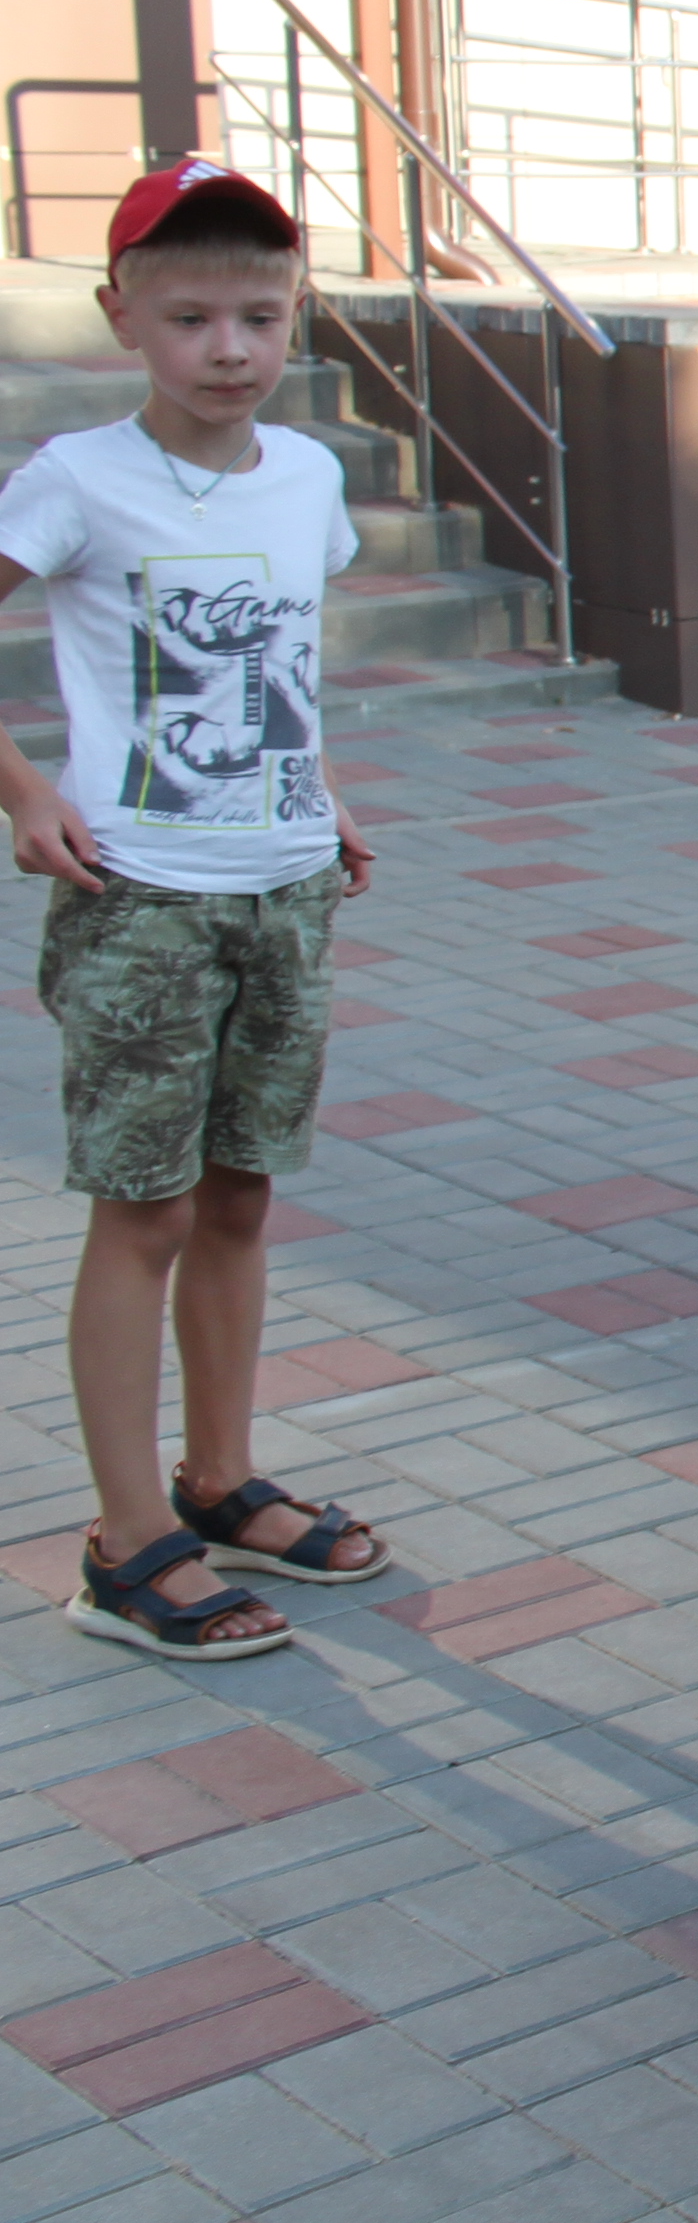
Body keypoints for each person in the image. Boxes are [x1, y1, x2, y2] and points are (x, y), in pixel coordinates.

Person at [0, 162, 391, 1661]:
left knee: (239, 1197)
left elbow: (280, 666)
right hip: (143, 899)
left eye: (260, 316)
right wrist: (29, 800)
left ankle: (220, 1481)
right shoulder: (76, 479)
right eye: (191, 319)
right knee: (146, 1208)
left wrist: (324, 788)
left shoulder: (305, 475)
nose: (230, 348)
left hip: (286, 887)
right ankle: (123, 1539)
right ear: (124, 320)